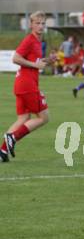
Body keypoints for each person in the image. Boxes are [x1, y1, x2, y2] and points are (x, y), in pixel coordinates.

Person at [1, 11, 52, 163]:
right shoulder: (30, 40)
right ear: (31, 24)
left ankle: (2, 151)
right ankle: (12, 137)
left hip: (22, 84)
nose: (41, 26)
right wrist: (35, 65)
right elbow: (15, 58)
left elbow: (35, 62)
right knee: (44, 117)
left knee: (23, 118)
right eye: (37, 23)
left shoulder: (37, 42)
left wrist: (47, 60)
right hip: (26, 84)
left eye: (43, 23)